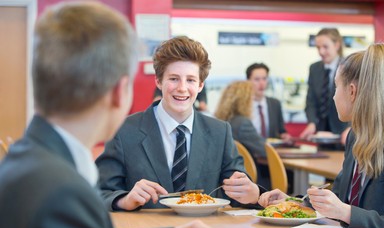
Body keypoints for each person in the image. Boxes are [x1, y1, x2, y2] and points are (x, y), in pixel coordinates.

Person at [0, 2, 254, 228]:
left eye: (190, 80)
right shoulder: (63, 189)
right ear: (119, 92)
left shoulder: (31, 163)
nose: (182, 88)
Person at [96, 36, 262, 211]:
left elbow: (237, 192)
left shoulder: (220, 132)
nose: (182, 88)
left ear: (200, 85)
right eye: (174, 78)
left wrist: (252, 195)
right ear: (159, 82)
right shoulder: (123, 130)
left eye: (190, 80)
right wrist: (124, 200)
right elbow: (99, 193)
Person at [259, 43, 384, 228]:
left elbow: (345, 210)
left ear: (352, 92)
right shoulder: (356, 136)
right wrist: (294, 203)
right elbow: (338, 197)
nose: (334, 97)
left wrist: (346, 212)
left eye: (336, 88)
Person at [300, 28, 350, 145]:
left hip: (344, 135)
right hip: (322, 136)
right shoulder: (314, 68)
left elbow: (359, 103)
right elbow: (311, 101)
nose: (321, 52)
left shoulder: (350, 67)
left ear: (337, 45)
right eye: (318, 47)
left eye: (325, 47)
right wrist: (312, 123)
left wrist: (351, 128)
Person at [246, 62, 292, 142]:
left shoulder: (275, 104)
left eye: (264, 79)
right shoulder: (242, 105)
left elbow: (281, 131)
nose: (261, 83)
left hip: (271, 151)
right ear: (248, 81)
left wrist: (284, 136)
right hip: (248, 152)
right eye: (257, 79)